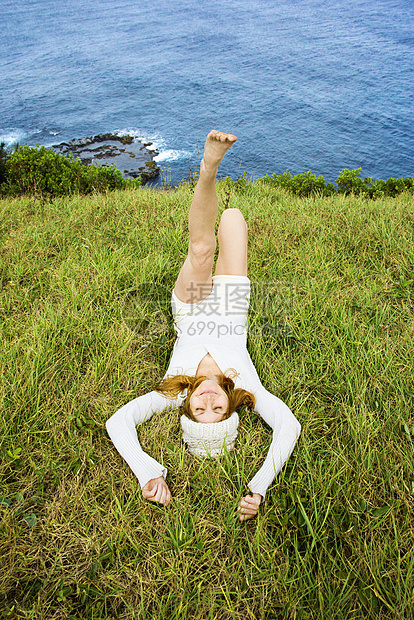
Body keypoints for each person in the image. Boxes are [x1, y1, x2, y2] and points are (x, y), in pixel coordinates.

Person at [106, 131, 301, 521]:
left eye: (201, 408)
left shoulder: (172, 395)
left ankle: (208, 165)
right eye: (218, 408)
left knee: (202, 249)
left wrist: (148, 473)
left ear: (189, 411)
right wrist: (259, 485)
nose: (208, 398)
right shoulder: (249, 389)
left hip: (191, 311)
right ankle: (215, 190)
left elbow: (118, 422)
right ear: (231, 408)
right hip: (231, 308)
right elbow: (289, 428)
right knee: (232, 218)